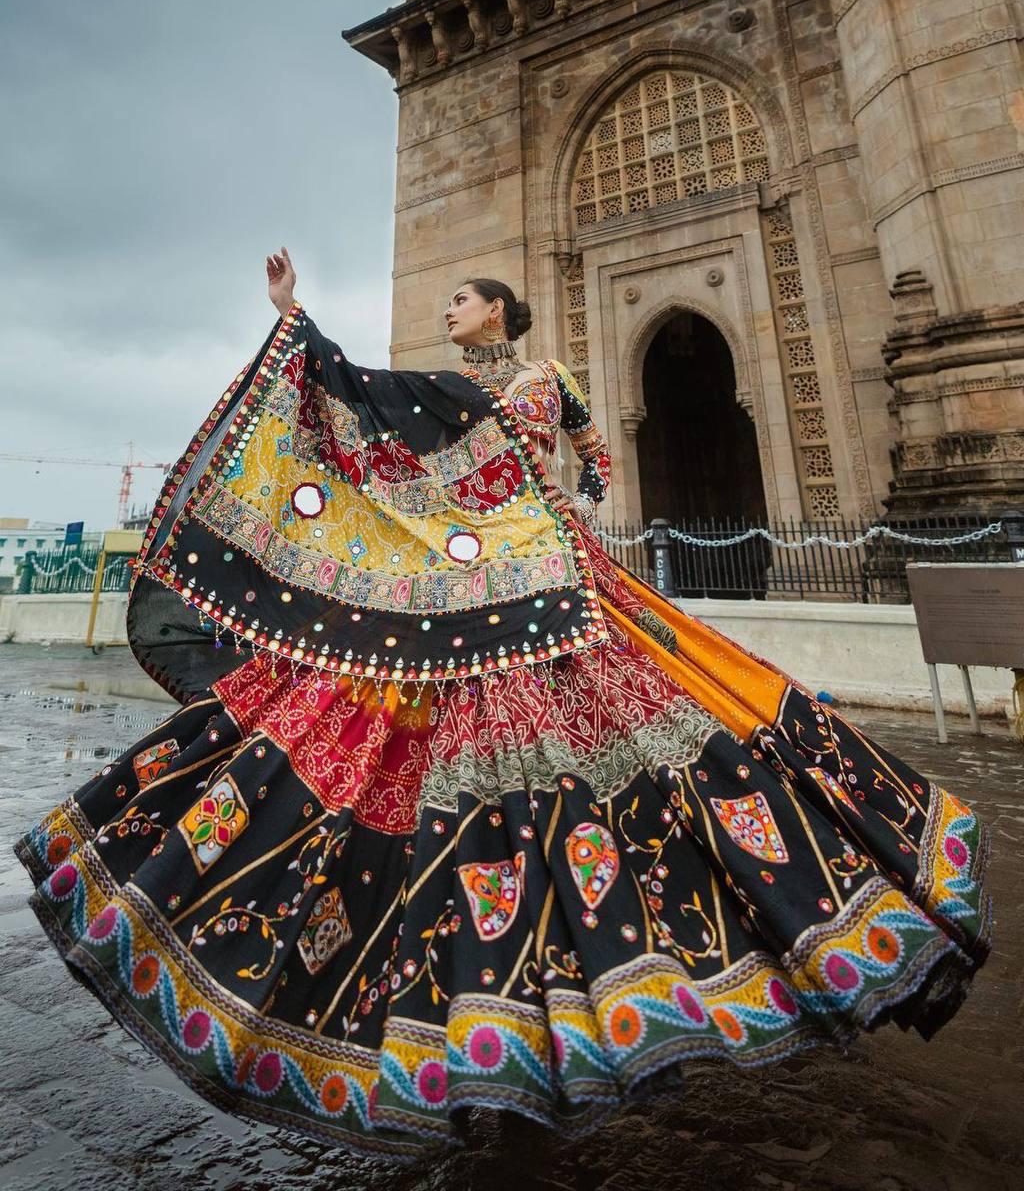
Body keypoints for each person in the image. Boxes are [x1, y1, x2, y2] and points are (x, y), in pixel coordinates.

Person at [16, 248, 992, 1161]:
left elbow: (592, 451)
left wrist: (575, 498)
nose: (448, 309)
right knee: (386, 754)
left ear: (499, 311)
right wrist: (299, 324)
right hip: (477, 588)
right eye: (446, 301)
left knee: (618, 759)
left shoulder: (532, 380)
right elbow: (381, 409)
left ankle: (595, 983)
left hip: (543, 585)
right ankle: (492, 1005)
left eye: (461, 299)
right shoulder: (457, 393)